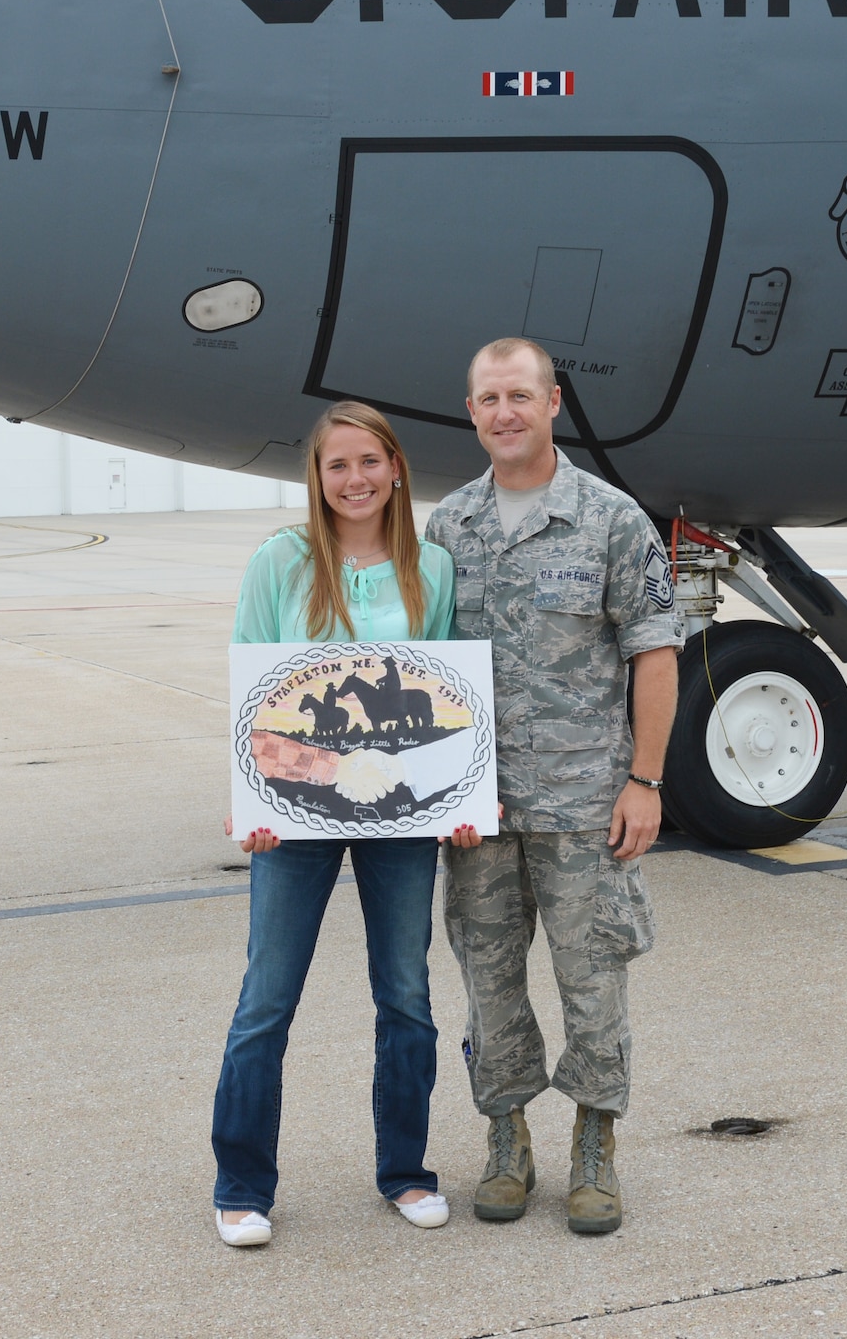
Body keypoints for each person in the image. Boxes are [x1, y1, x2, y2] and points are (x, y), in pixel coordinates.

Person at [425, 338, 683, 1235]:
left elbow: (655, 651)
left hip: (584, 807)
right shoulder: (447, 528)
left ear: (553, 403)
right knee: (488, 982)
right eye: (489, 398)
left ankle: (595, 1146)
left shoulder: (612, 519)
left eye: (520, 396)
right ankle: (505, 1140)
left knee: (594, 981)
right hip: (476, 812)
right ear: (472, 411)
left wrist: (645, 780)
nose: (505, 413)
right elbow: (418, 664)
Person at [212, 401, 483, 1247]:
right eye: (338, 465)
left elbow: (449, 695)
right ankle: (242, 1184)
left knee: (406, 996)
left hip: (401, 814)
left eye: (370, 462)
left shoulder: (430, 569)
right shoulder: (280, 562)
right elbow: (253, 683)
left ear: (396, 467)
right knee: (267, 1001)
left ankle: (405, 1172)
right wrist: (250, 799)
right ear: (317, 477)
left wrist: (461, 802)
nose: (355, 479)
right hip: (294, 813)